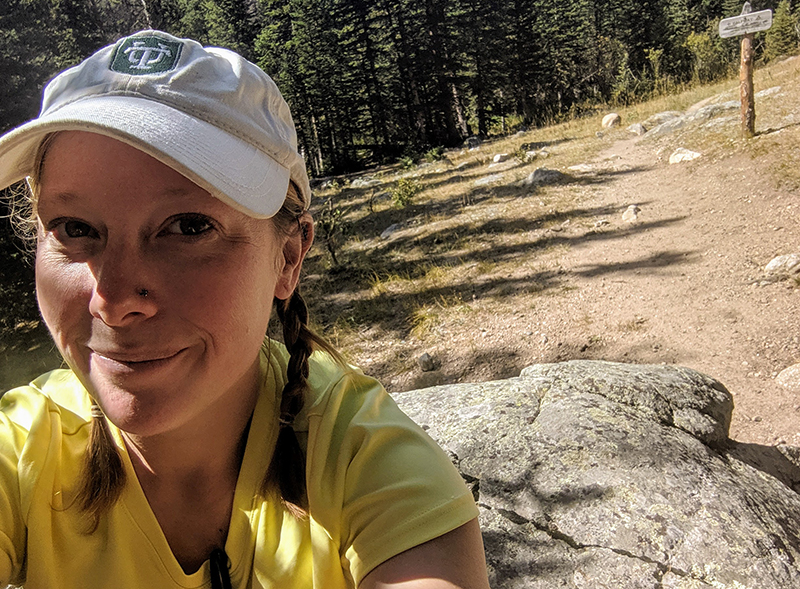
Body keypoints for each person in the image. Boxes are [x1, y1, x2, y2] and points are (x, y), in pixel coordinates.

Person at [0, 30, 490, 588]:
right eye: (74, 229)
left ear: (288, 256)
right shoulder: (23, 446)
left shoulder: (362, 458)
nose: (112, 301)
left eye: (189, 227)